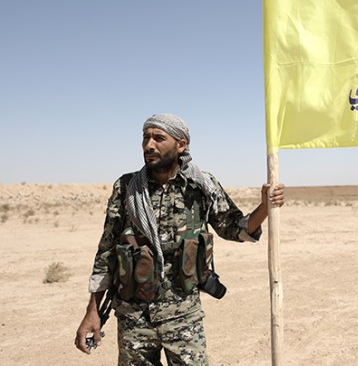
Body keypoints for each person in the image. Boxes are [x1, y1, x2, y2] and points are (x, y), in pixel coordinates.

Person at [74, 113, 284, 365]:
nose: (149, 145)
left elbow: (235, 228)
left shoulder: (201, 186)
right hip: (134, 317)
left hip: (183, 316)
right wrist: (92, 312)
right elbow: (107, 251)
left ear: (181, 145)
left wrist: (264, 207)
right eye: (145, 138)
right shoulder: (128, 187)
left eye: (159, 138)